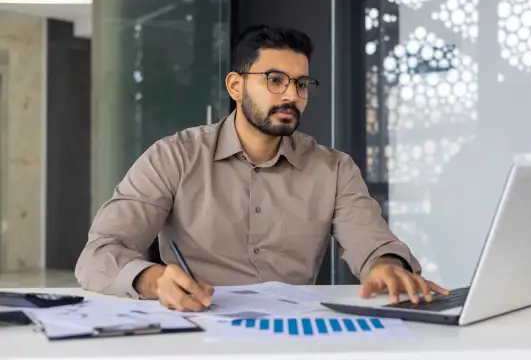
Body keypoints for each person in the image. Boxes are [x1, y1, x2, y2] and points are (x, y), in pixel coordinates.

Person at [75, 25, 449, 312]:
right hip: (197, 327)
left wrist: (385, 265)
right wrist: (152, 280)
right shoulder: (174, 156)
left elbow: (374, 245)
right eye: (274, 80)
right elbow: (99, 255)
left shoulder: (333, 169)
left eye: (301, 84)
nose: (291, 95)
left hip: (295, 335)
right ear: (236, 86)